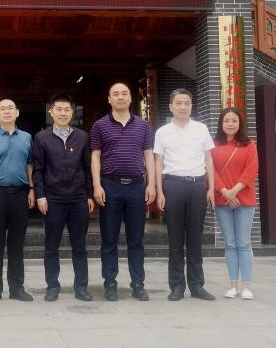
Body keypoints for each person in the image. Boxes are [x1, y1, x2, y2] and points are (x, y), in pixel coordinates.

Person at [90, 82, 156, 302]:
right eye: (116, 94)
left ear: (130, 98)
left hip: (137, 186)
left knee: (136, 239)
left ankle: (138, 284)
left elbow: (148, 155)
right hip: (110, 186)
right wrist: (97, 185)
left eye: (124, 93)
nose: (120, 97)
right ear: (109, 99)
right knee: (109, 239)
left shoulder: (143, 126)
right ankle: (110, 283)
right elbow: (95, 156)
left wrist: (151, 184)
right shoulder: (100, 125)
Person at [154, 88, 216, 301]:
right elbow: (158, 162)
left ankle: (197, 286)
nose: (183, 107)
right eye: (178, 103)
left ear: (191, 106)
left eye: (187, 103)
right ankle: (177, 286)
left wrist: (211, 188)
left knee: (196, 238)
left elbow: (208, 159)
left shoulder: (201, 128)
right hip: (173, 185)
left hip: (197, 185)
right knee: (175, 238)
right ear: (171, 107)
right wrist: (160, 191)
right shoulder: (162, 132)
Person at [32, 94, 94, 302]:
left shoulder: (82, 136)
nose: (63, 113)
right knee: (51, 246)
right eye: (58, 109)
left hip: (78, 199)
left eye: (67, 109)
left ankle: (81, 287)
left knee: (80, 246)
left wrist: (89, 195)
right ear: (51, 112)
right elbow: (38, 170)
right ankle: (52, 286)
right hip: (53, 200)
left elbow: (87, 168)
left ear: (72, 112)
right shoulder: (42, 138)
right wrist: (41, 196)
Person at [0, 98, 36, 303]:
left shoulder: (27, 137)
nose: (7, 111)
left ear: (17, 112)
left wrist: (32, 189)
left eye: (11, 108)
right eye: (2, 109)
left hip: (20, 195)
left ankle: (17, 288)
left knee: (17, 244)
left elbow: (30, 165)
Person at [211, 107, 259, 300]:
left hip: (244, 200)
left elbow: (251, 170)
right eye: (226, 120)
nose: (230, 124)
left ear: (240, 123)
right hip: (222, 200)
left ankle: (246, 286)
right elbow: (210, 171)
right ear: (220, 124)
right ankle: (233, 285)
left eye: (234, 120)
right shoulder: (212, 145)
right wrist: (225, 192)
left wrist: (233, 192)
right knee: (230, 243)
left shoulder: (249, 145)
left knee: (244, 243)